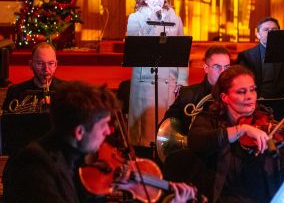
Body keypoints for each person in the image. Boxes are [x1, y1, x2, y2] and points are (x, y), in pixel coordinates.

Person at [3, 80, 196, 203]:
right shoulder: (33, 166)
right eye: (103, 124)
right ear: (79, 132)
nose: (109, 131)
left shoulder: (78, 160)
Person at [187, 65, 284, 203]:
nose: (249, 96)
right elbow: (196, 141)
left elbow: (283, 169)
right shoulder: (208, 120)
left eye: (252, 89)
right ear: (224, 97)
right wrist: (242, 129)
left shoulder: (265, 120)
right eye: (241, 92)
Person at [127, 0, 188, 147]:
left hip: (169, 80)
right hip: (145, 80)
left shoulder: (175, 19)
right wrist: (151, 19)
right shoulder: (135, 18)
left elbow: (182, 52)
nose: (157, 0)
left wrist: (182, 80)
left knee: (164, 125)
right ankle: (145, 154)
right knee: (146, 129)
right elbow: (134, 45)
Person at [236, 17, 284, 120]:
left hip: (282, 106)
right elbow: (240, 86)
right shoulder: (246, 56)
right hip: (254, 105)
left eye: (274, 30)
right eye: (266, 30)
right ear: (258, 34)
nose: (270, 32)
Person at [163, 45, 231, 135]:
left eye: (226, 67)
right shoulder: (187, 95)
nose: (223, 72)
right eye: (217, 67)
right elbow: (166, 128)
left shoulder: (237, 95)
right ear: (206, 68)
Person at [2, 41, 63, 112]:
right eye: (40, 63)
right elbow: (5, 121)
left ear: (56, 65)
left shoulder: (67, 92)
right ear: (31, 64)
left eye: (51, 63)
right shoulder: (15, 91)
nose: (46, 69)